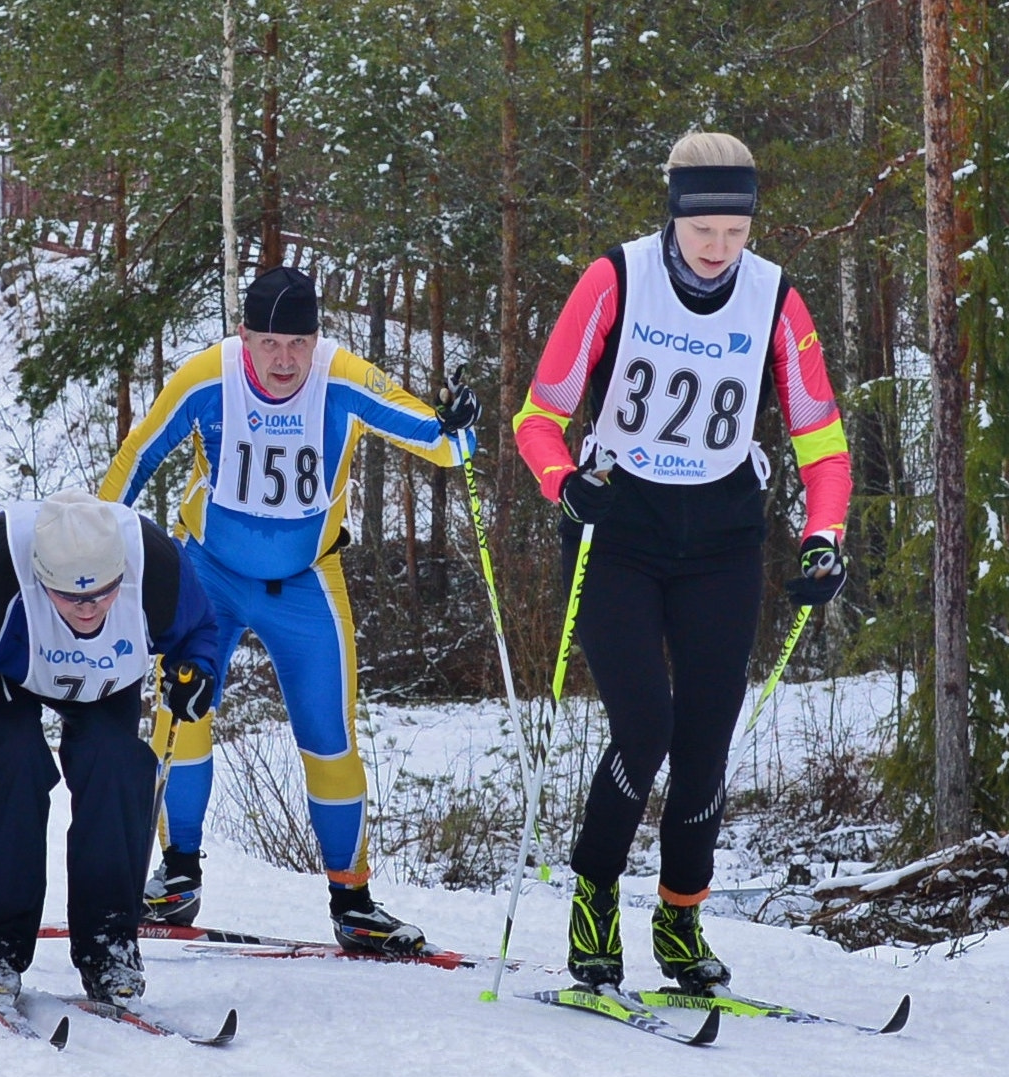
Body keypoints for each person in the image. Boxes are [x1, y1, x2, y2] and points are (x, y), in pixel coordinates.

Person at [514, 132, 851, 993]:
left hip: (721, 537)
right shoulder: (616, 279)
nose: (718, 249)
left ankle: (681, 914)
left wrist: (826, 534)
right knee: (645, 726)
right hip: (616, 529)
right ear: (673, 214)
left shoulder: (777, 297)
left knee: (704, 739)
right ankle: (593, 898)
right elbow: (537, 415)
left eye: (735, 232)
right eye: (703, 229)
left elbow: (821, 436)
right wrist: (563, 484)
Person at [99, 265, 480, 954]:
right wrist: (91, 543)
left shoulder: (343, 377)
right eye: (267, 343)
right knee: (183, 716)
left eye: (296, 344)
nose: (282, 360)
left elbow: (446, 445)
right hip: (208, 578)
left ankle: (353, 902)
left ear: (317, 340)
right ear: (244, 335)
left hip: (306, 583)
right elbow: (136, 457)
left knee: (329, 739)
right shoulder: (207, 376)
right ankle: (177, 876)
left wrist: (457, 424)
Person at [0, 489, 219, 1007]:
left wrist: (198, 673)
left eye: (103, 594)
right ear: (40, 575)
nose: (87, 609)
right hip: (4, 667)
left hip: (105, 674)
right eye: (70, 597)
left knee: (119, 767)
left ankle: (109, 945)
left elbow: (198, 630)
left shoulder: (154, 565)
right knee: (10, 766)